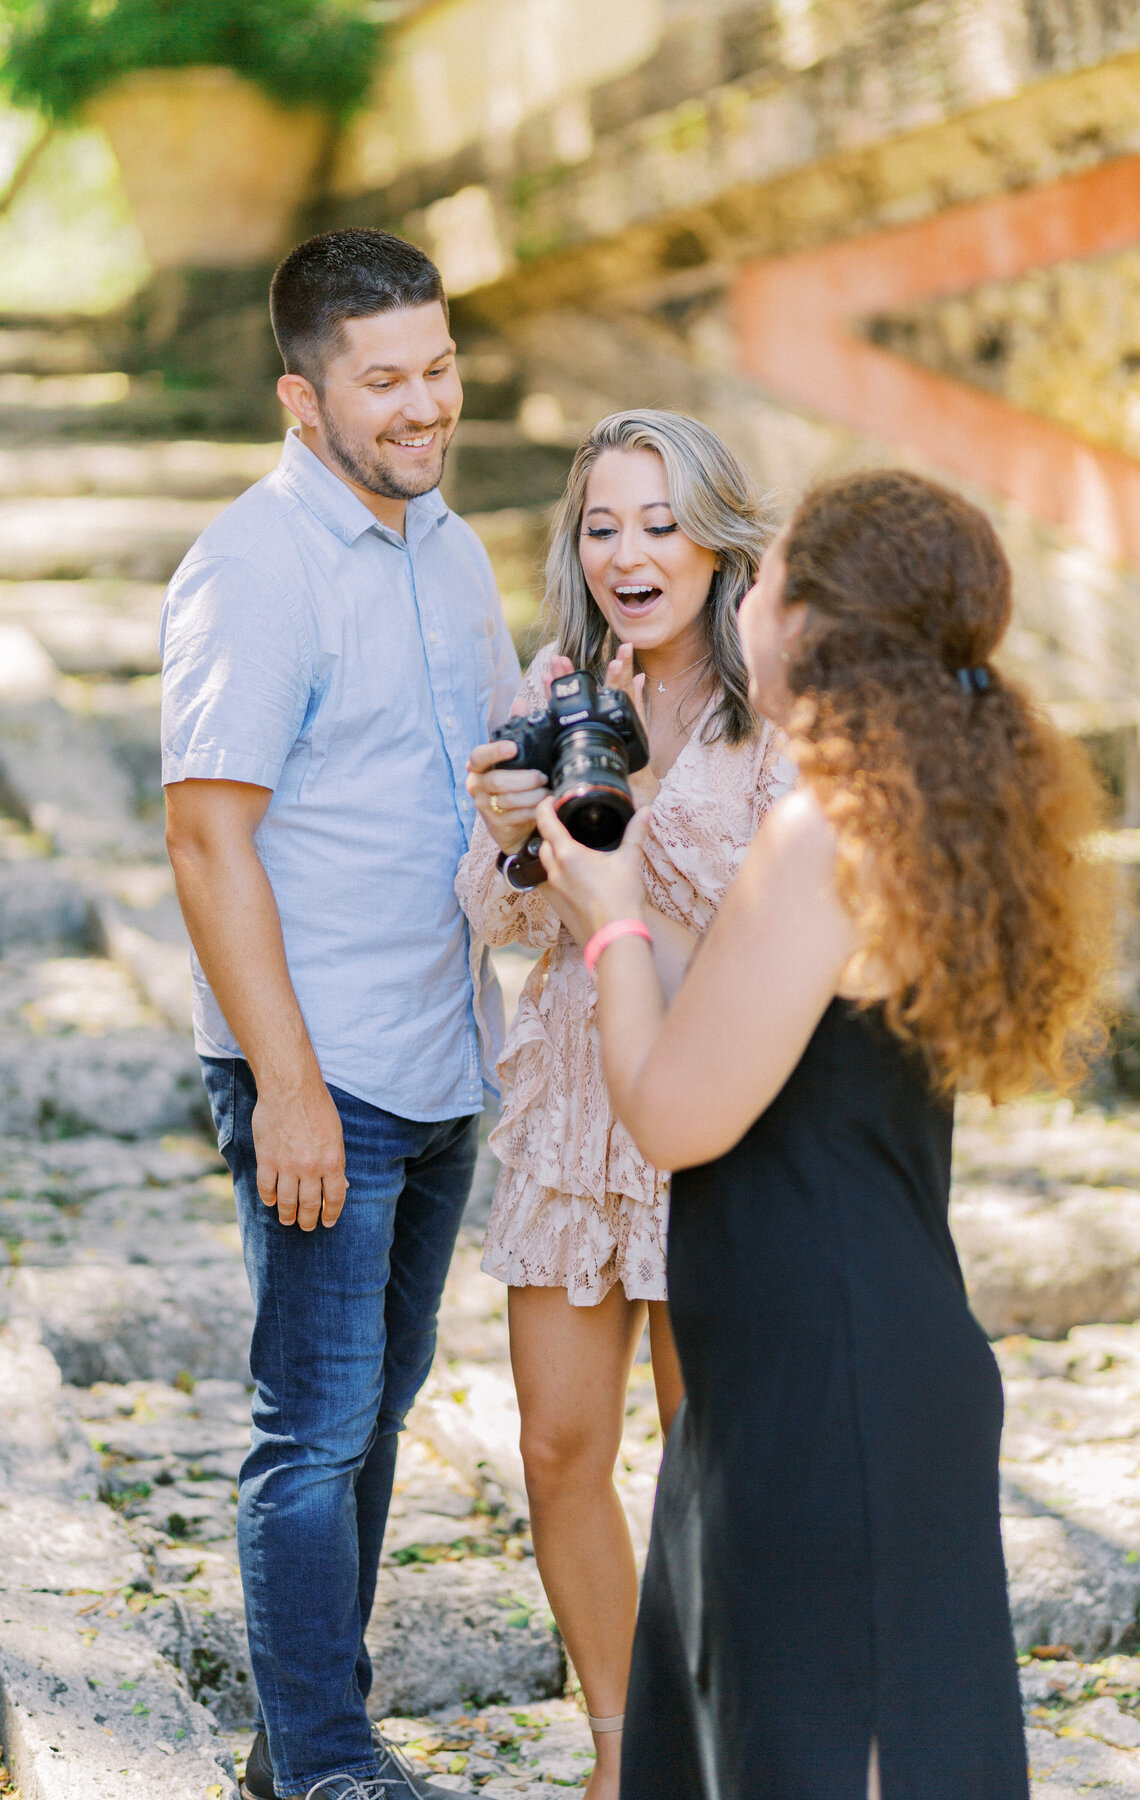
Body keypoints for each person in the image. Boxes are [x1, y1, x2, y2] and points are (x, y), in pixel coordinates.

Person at [534, 469, 1111, 1800]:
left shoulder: (820, 827)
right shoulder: (905, 806)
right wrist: (593, 888)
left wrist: (614, 917)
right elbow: (758, 993)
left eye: (773, 574)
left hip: (820, 1384)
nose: (748, 599)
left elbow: (674, 1115)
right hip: (830, 1368)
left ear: (817, 624)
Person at [160, 228, 520, 1800]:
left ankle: (298, 1738)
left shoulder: (449, 545)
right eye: (386, 380)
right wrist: (289, 1091)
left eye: (437, 366)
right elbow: (205, 837)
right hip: (324, 1064)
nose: (424, 403)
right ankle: (323, 1763)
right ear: (306, 398)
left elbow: (475, 781)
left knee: (377, 1409)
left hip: (443, 1051)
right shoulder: (253, 564)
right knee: (309, 1425)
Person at [456, 411, 789, 1798]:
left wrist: (638, 807)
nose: (629, 552)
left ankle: (732, 1743)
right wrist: (506, 835)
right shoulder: (560, 681)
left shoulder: (771, 711)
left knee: (707, 1459)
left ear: (719, 540)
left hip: (710, 1105)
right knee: (556, 1445)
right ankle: (621, 1750)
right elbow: (496, 923)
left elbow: (771, 929)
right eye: (602, 524)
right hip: (575, 1109)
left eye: (660, 522)